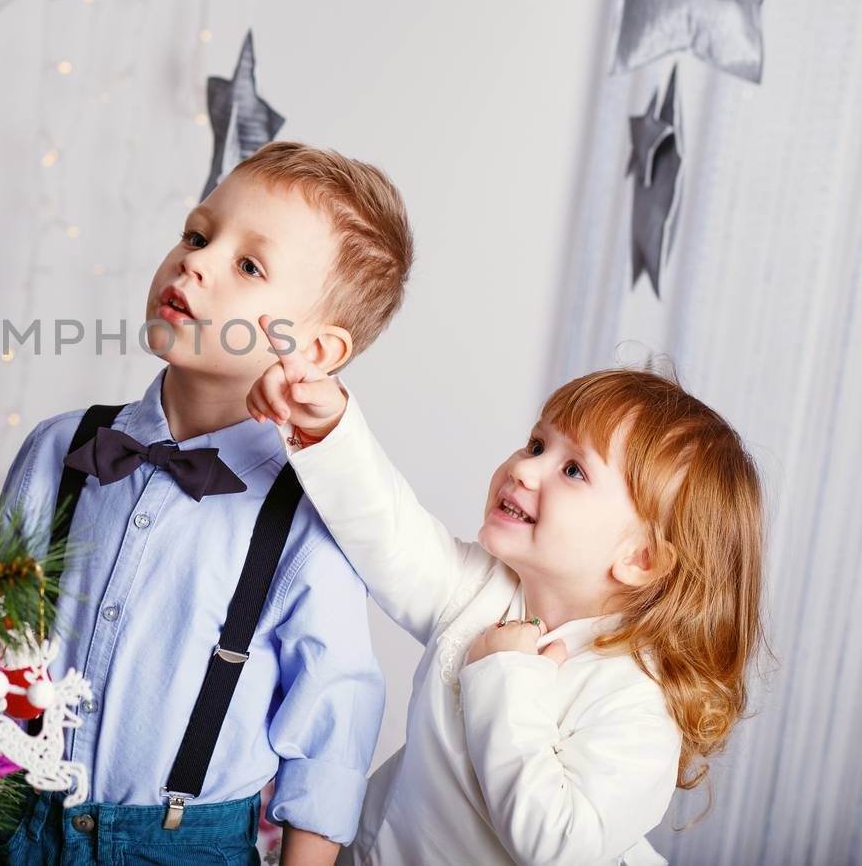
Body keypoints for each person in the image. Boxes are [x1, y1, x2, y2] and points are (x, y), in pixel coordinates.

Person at [0, 142, 414, 866]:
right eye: (196, 233)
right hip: (19, 822)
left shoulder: (308, 515)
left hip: (183, 848)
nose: (196, 262)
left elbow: (330, 729)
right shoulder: (61, 448)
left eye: (249, 265)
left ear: (318, 348)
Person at [248, 336, 764, 866]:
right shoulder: (483, 588)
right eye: (537, 445)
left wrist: (507, 675)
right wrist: (330, 428)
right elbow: (390, 532)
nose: (524, 469)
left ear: (641, 559)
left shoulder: (638, 700)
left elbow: (558, 844)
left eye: (573, 471)